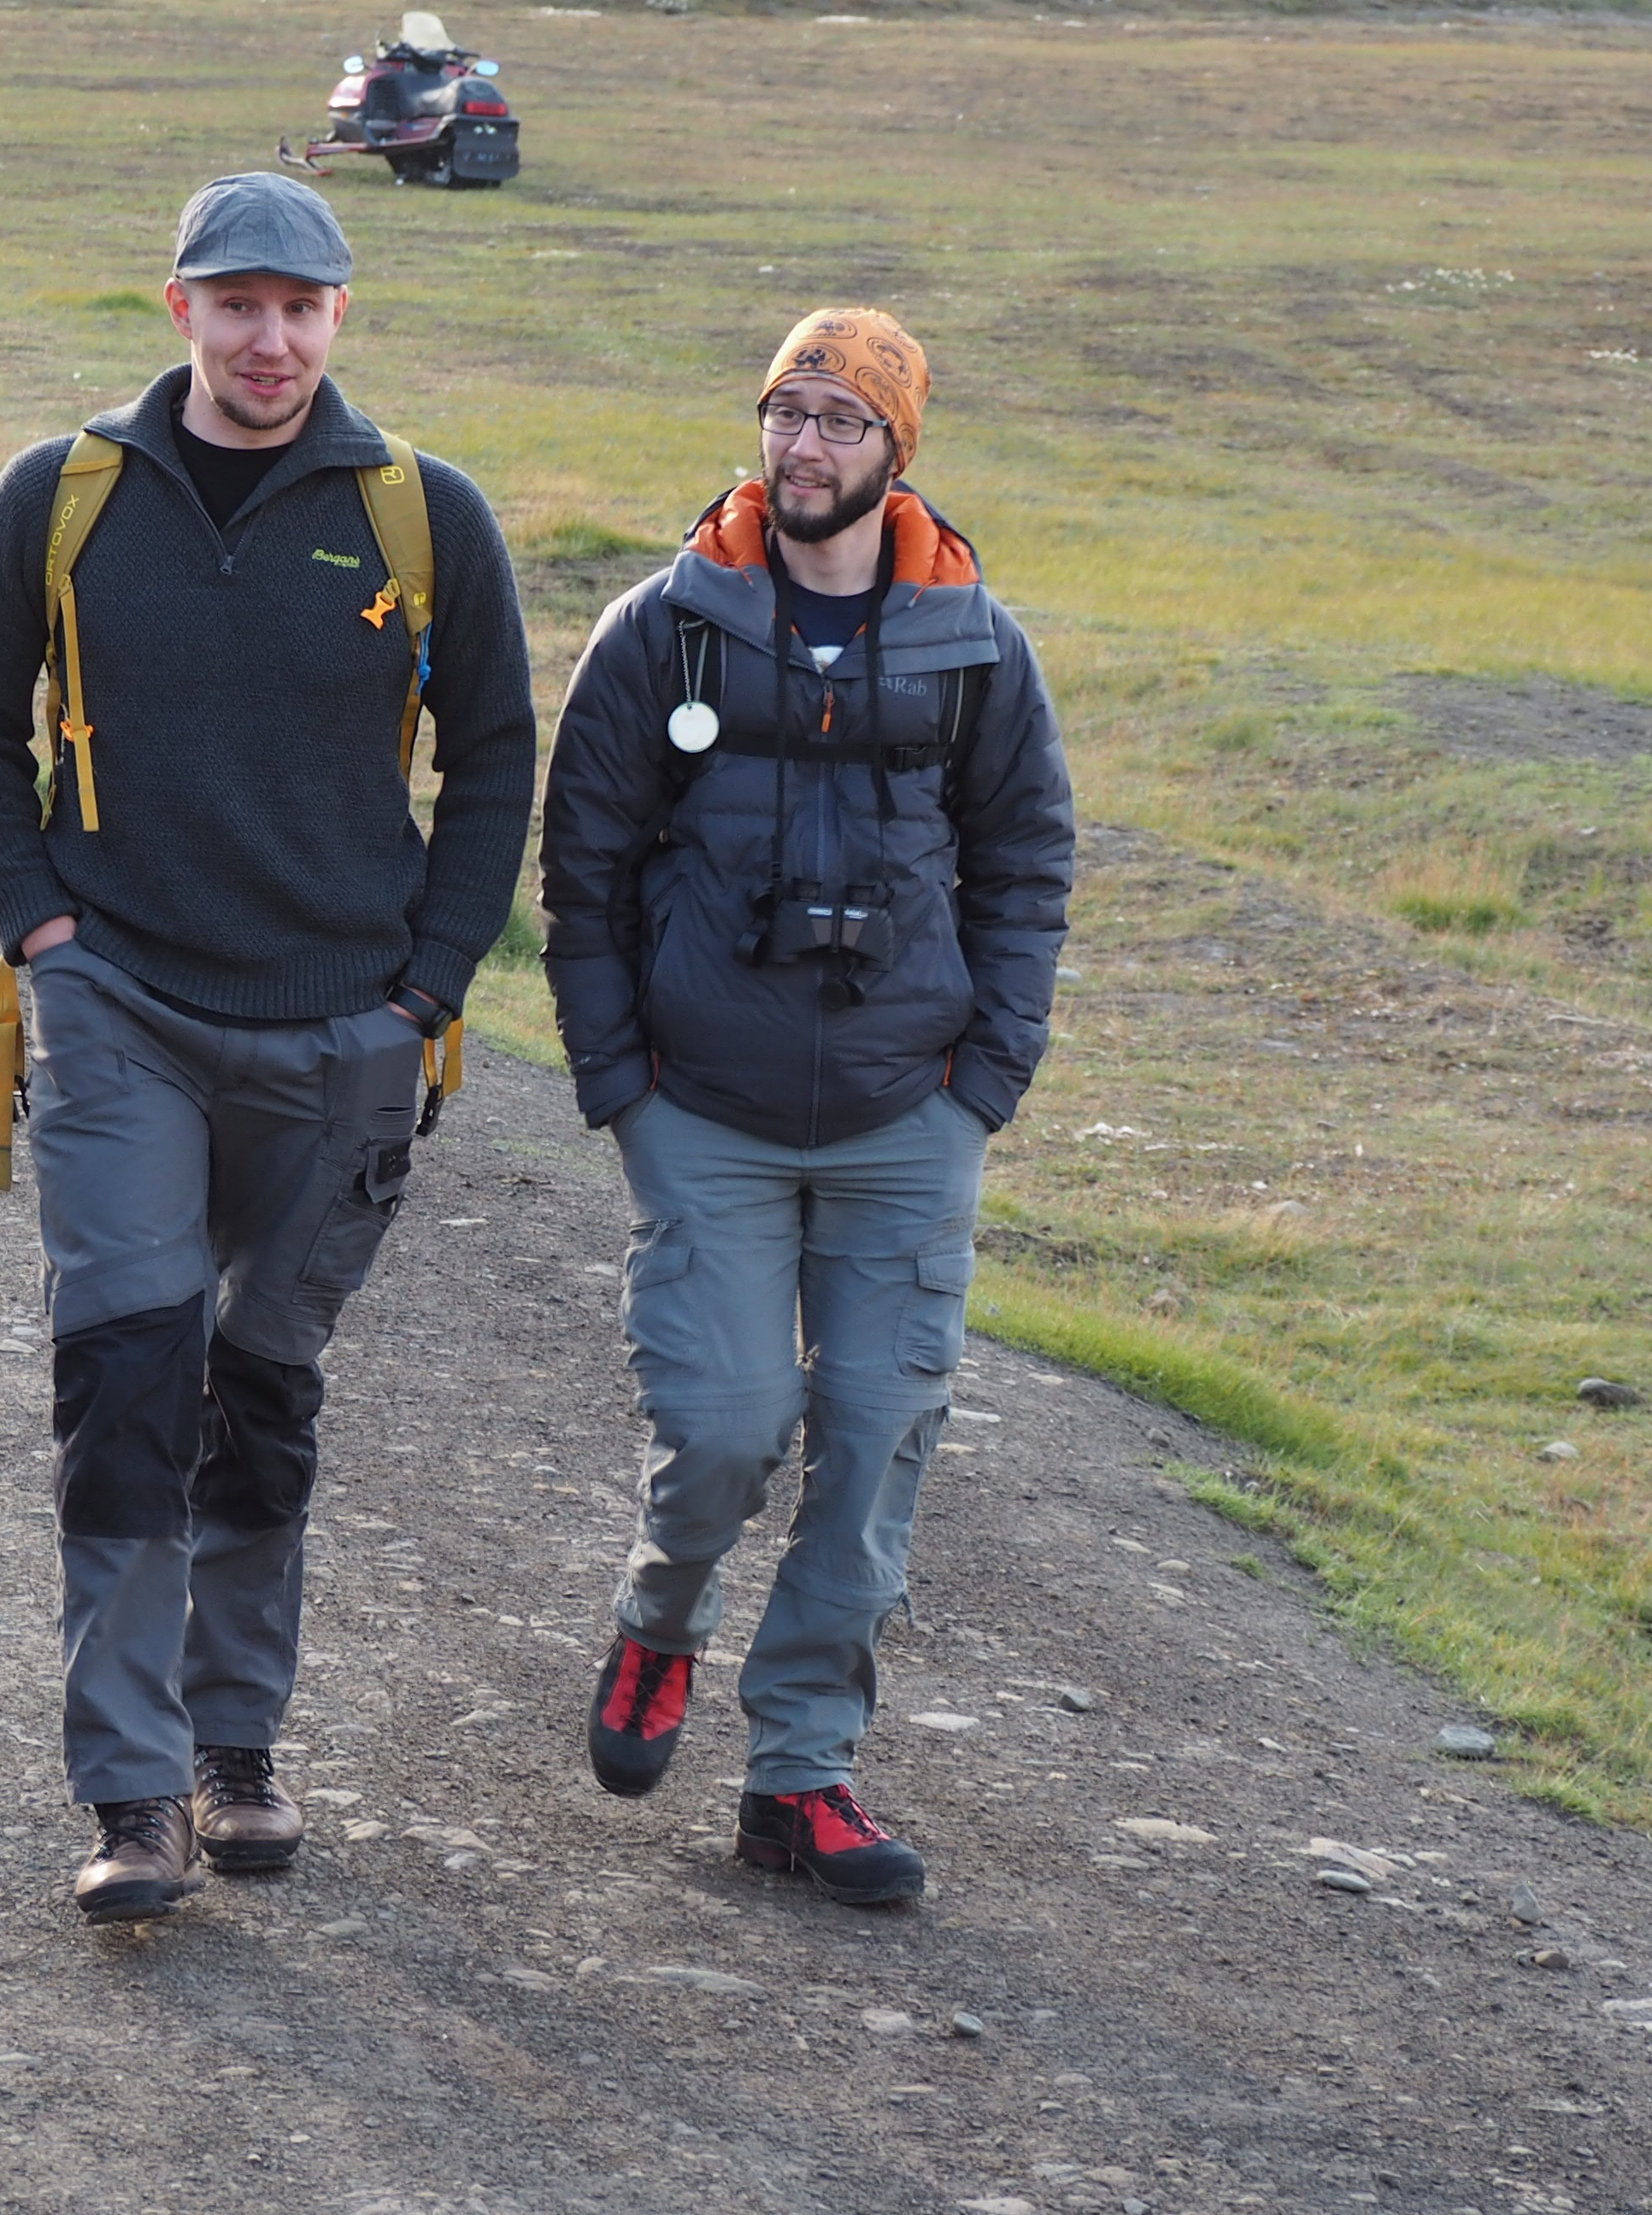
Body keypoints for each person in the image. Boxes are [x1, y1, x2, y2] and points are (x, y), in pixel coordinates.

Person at [0, 174, 538, 1924]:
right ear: (178, 306)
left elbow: (497, 754)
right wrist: (42, 927)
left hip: (348, 1028)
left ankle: (236, 1749)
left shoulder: (424, 515)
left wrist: (428, 983)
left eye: (301, 308)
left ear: (340, 317)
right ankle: (132, 1795)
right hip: (122, 1009)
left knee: (261, 1397)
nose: (269, 341)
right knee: (130, 1386)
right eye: (237, 304)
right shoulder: (61, 499)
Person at [535, 308, 1073, 1905]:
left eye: (844, 419)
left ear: (899, 447)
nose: (807, 446)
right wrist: (620, 1081)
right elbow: (584, 866)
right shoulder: (666, 628)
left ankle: (800, 1777)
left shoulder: (974, 645)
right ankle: (661, 1623)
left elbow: (1026, 865)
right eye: (788, 410)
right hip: (703, 1108)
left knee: (875, 1436)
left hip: (912, 1113)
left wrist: (987, 1080)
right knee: (725, 1424)